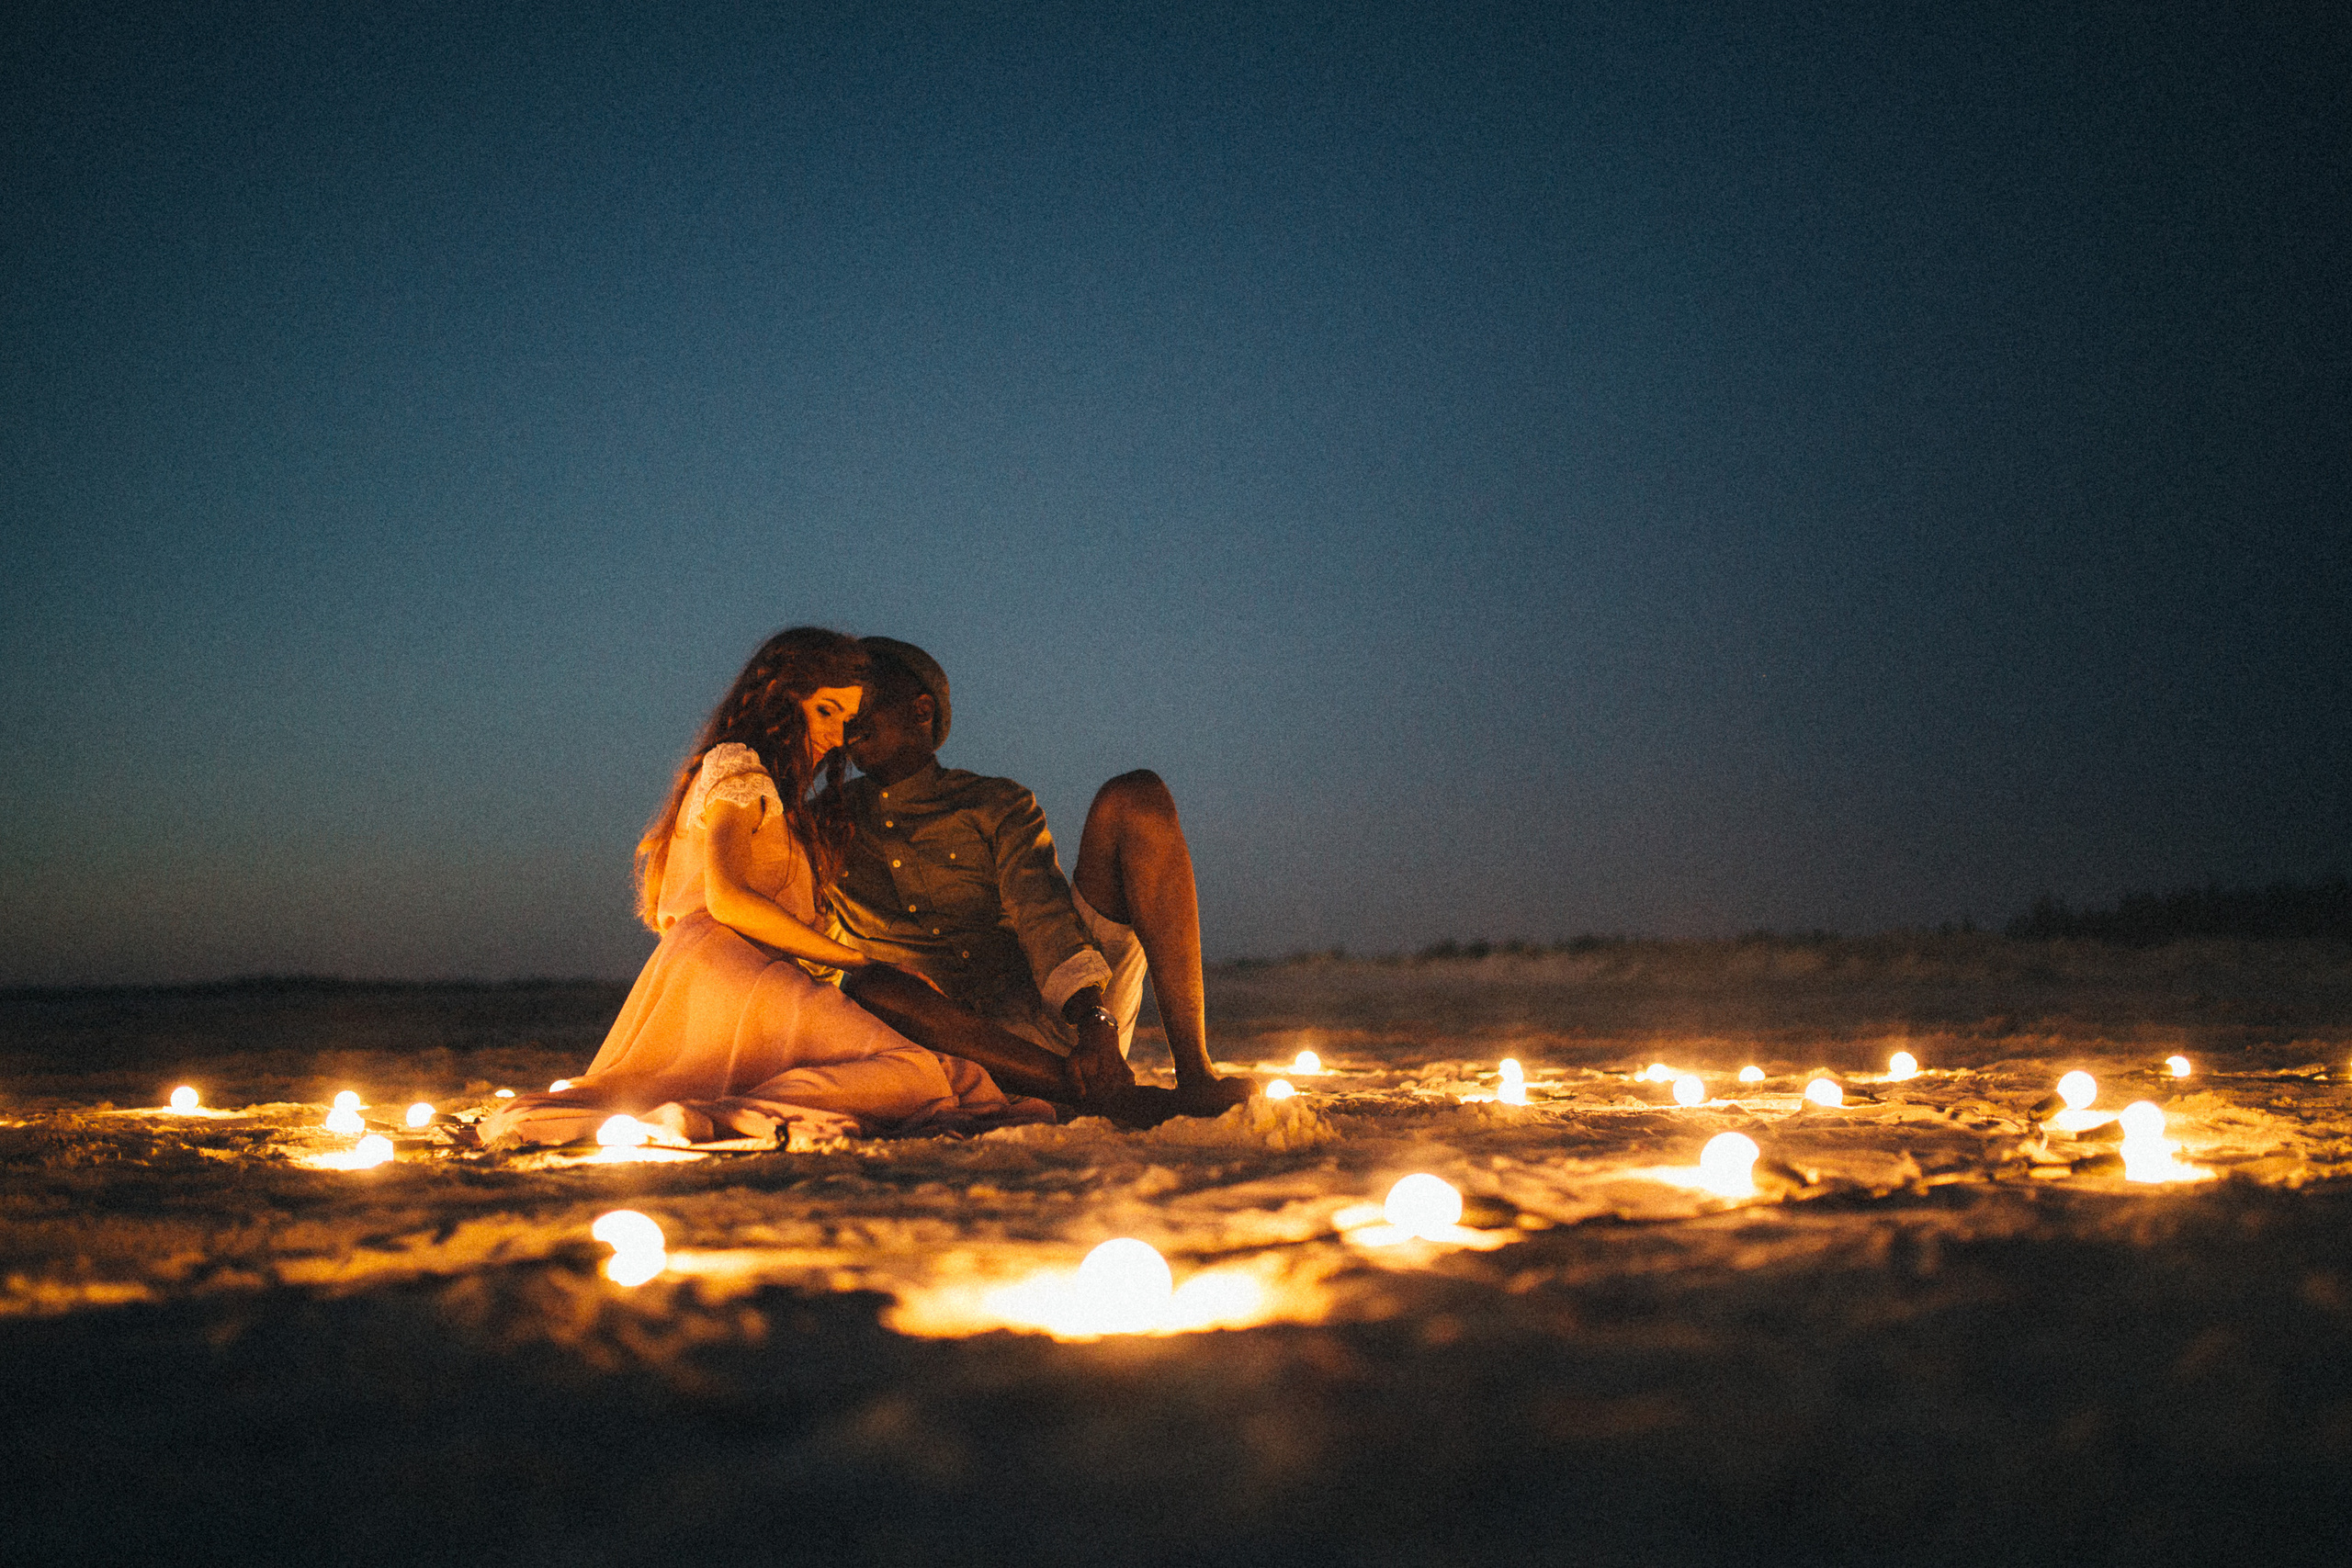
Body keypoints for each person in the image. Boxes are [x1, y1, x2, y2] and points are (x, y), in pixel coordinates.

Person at [479, 627, 1078, 1149]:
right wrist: (860, 962)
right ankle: (724, 1115)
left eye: (846, 719)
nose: (838, 735)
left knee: (926, 1073)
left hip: (750, 977)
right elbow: (728, 898)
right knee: (913, 1074)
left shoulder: (783, 799)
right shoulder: (737, 765)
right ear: (779, 696)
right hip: (729, 969)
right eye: (825, 712)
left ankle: (731, 1110)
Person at [828, 637, 1250, 1117]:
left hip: (1064, 1025)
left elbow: (1041, 912)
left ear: (920, 711)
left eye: (864, 702)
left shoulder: (994, 802)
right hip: (932, 1042)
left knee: (1137, 797)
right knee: (872, 985)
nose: (850, 722)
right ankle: (1116, 1101)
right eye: (838, 709)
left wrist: (1094, 1020)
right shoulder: (820, 820)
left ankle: (1194, 1072)